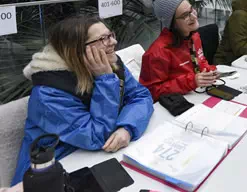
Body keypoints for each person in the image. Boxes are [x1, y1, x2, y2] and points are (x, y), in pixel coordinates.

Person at [12, 16, 154, 185]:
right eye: (103, 39)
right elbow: (96, 136)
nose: (114, 42)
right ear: (76, 49)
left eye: (111, 35)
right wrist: (105, 79)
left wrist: (128, 127)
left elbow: (141, 96)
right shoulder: (48, 93)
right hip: (52, 175)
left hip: (94, 159)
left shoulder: (110, 63)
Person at [140, 0, 217, 101]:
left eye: (192, 10)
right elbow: (152, 91)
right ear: (172, 23)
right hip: (174, 106)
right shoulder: (158, 52)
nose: (194, 16)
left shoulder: (194, 36)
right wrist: (192, 81)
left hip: (196, 96)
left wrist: (209, 72)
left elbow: (200, 61)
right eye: (185, 15)